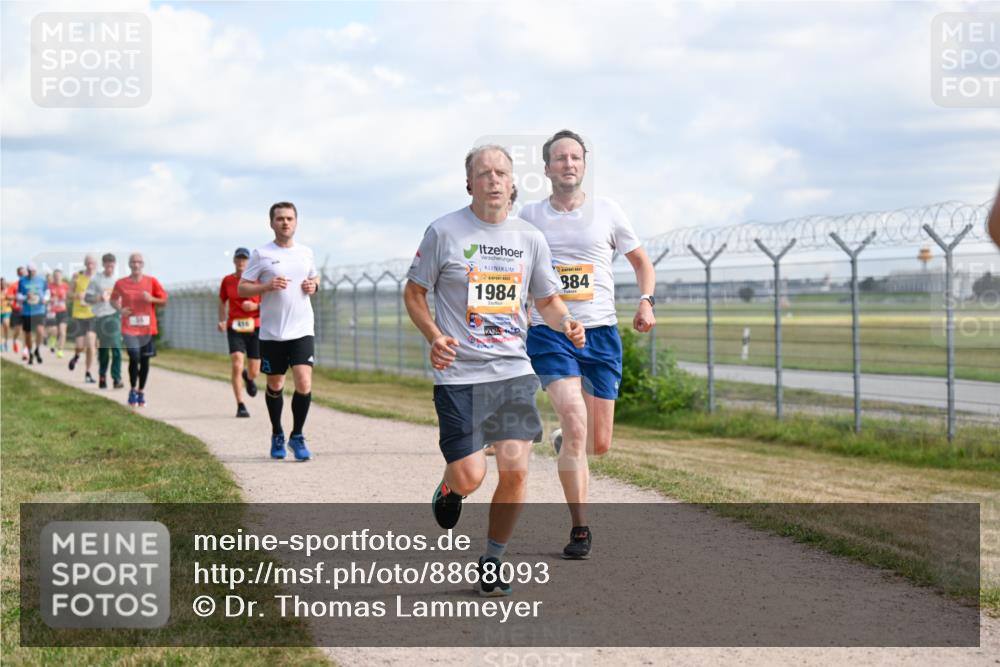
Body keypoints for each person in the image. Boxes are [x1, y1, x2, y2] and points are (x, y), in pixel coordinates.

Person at [405, 144, 585, 596]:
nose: (492, 179)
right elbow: (414, 293)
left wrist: (565, 321)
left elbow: (546, 298)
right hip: (459, 375)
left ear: (512, 184)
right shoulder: (443, 232)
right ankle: (450, 491)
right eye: (483, 172)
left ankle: (492, 558)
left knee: (515, 468)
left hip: (512, 371)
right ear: (469, 183)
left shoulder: (529, 238)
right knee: (470, 475)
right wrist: (434, 336)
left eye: (501, 172)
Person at [519, 129, 656, 560]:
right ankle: (580, 528)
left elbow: (641, 262)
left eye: (575, 157)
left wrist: (646, 302)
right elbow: (515, 269)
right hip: (551, 331)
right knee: (576, 421)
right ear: (547, 169)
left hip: (600, 333)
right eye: (559, 158)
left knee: (597, 444)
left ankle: (566, 441)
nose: (568, 164)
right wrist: (519, 311)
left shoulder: (608, 211)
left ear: (585, 163)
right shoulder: (530, 216)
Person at [239, 202, 319, 461]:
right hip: (273, 332)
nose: (285, 223)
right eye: (280, 219)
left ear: (296, 222)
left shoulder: (306, 252)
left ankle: (297, 435)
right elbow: (242, 289)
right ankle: (277, 433)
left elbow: (315, 278)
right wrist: (266, 286)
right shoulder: (261, 254)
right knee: (275, 384)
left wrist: (313, 286)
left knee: (304, 381)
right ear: (272, 223)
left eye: (290, 218)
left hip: (302, 328)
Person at [111, 253, 168, 407]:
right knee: (134, 357)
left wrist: (152, 299)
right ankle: (132, 388)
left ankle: (141, 391)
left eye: (139, 262)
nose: (136, 265)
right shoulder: (121, 283)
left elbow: (164, 300)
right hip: (129, 328)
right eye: (133, 262)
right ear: (129, 264)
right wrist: (120, 310)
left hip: (147, 328)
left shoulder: (152, 282)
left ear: (142, 265)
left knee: (144, 360)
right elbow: (113, 299)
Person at [219, 247, 262, 418]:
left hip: (255, 326)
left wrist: (255, 306)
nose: (242, 262)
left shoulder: (259, 280)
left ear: (250, 261)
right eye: (239, 258)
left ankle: (249, 377)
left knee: (255, 371)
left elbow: (270, 303)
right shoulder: (228, 280)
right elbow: (222, 302)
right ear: (234, 261)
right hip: (235, 327)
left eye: (245, 259)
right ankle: (240, 404)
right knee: (237, 363)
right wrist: (222, 320)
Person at [86, 254, 124, 389]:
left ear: (115, 264)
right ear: (103, 265)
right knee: (103, 348)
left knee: (116, 347)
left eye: (112, 265)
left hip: (114, 315)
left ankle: (116, 378)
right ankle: (102, 375)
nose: (110, 268)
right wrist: (98, 298)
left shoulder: (118, 280)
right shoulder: (96, 279)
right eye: (107, 265)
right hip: (100, 317)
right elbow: (87, 298)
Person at [68, 255, 98, 383]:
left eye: (93, 263)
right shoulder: (77, 277)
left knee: (91, 344)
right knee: (80, 345)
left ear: (96, 265)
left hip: (92, 315)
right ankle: (76, 356)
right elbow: (68, 294)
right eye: (88, 263)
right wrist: (76, 295)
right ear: (85, 264)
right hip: (79, 315)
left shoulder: (99, 279)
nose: (90, 266)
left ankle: (88, 373)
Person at [16, 263, 49, 365]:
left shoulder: (42, 280)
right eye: (29, 271)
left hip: (39, 310)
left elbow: (47, 292)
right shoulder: (22, 281)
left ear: (36, 271)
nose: (31, 273)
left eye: (33, 271)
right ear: (27, 271)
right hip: (27, 311)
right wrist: (25, 297)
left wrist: (45, 299)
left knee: (40, 331)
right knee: (28, 335)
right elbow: (18, 295)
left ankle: (37, 349)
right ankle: (30, 353)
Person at [45, 269, 70, 358]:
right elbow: (45, 299)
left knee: (63, 332)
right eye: (55, 276)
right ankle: (53, 338)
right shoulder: (49, 287)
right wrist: (50, 300)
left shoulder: (66, 286)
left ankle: (60, 350)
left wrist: (65, 298)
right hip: (52, 311)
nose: (57, 278)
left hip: (63, 311)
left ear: (61, 277)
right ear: (53, 277)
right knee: (54, 331)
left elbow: (70, 297)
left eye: (58, 276)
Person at [7, 267, 26, 357]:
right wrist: (16, 298)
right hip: (17, 310)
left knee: (26, 330)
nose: (23, 274)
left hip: (27, 310)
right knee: (18, 330)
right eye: (21, 273)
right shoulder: (14, 285)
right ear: (18, 274)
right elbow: (9, 296)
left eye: (24, 272)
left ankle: (25, 351)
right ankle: (15, 340)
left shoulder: (29, 284)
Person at [1, 277, 11, 352]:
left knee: (6, 325)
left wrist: (10, 301)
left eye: (3, 283)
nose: (2, 284)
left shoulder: (9, 290)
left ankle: (6, 342)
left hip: (7, 311)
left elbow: (12, 299)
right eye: (1, 283)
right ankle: (1, 344)